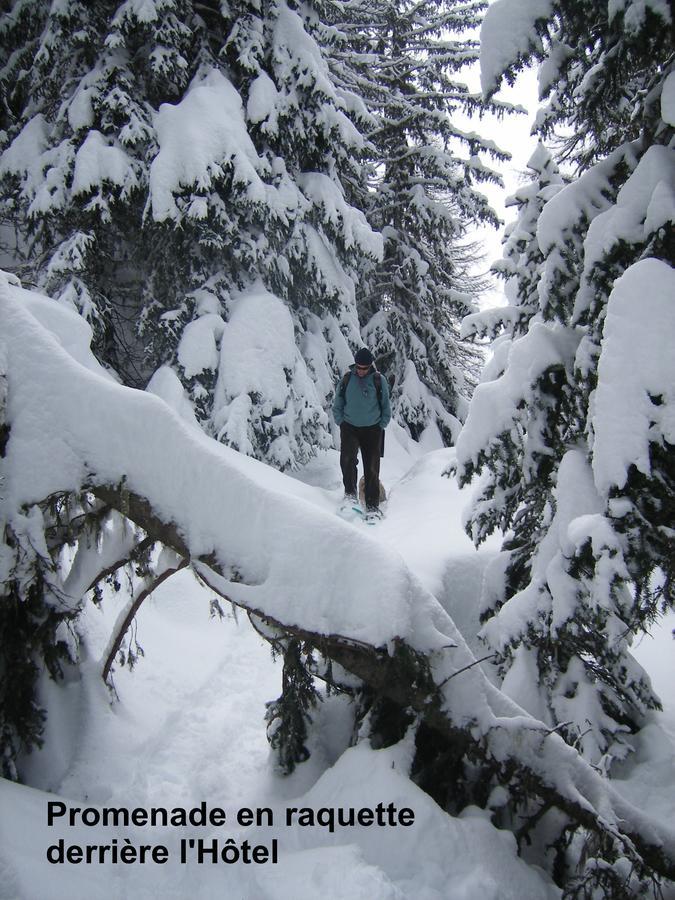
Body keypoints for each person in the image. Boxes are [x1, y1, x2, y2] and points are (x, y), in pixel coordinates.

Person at [332, 347, 391, 519]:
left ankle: (372, 506)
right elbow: (338, 402)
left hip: (372, 429)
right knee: (347, 461)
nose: (361, 370)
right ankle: (350, 496)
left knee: (372, 467)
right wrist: (340, 421)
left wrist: (382, 424)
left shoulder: (379, 380)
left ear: (370, 366)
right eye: (358, 367)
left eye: (364, 368)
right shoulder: (347, 379)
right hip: (349, 427)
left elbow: (386, 406)